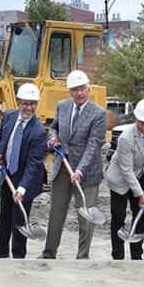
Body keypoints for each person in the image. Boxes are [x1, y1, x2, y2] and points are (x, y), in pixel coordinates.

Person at [42, 70, 106, 260]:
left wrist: (80, 170)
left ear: (89, 89)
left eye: (82, 89)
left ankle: (82, 257)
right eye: (75, 90)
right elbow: (54, 127)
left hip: (86, 171)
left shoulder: (98, 113)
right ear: (70, 91)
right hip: (62, 165)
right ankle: (49, 253)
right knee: (56, 212)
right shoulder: (62, 106)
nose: (79, 93)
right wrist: (53, 139)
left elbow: (94, 144)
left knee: (85, 215)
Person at [0, 83, 47, 259]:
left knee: (19, 219)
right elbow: (1, 138)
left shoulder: (38, 131)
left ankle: (18, 255)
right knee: (5, 213)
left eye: (33, 104)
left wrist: (22, 188)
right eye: (25, 103)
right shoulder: (9, 116)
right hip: (7, 174)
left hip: (26, 180)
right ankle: (1, 250)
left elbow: (34, 164)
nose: (29, 107)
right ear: (18, 102)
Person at [105, 98, 144, 261]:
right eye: (142, 123)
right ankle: (118, 256)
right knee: (118, 217)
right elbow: (126, 170)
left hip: (140, 175)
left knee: (140, 215)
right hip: (120, 179)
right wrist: (140, 195)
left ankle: (137, 256)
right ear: (136, 119)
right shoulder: (126, 138)